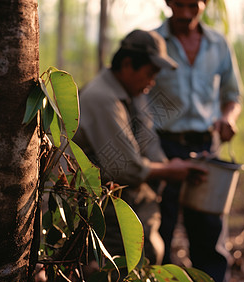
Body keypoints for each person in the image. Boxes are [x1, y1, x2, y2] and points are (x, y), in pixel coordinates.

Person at [73, 29, 207, 265]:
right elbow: (126, 169)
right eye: (149, 73)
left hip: (133, 210)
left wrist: (180, 166)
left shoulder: (133, 95)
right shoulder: (103, 98)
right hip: (106, 214)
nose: (151, 82)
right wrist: (169, 171)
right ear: (127, 64)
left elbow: (149, 143)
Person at [147, 0, 243, 282]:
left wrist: (228, 117)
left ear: (204, 4)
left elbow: (232, 94)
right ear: (168, 3)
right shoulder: (153, 42)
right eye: (179, 4)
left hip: (205, 149)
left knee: (209, 234)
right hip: (162, 147)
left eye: (194, 4)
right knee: (156, 230)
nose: (186, 12)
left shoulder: (218, 44)